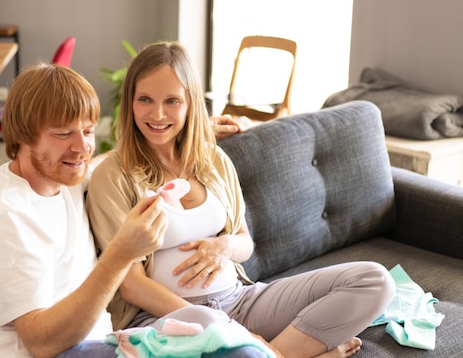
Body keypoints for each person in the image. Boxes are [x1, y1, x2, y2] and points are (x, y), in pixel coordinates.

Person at [85, 41, 396, 358]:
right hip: (167, 318)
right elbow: (129, 284)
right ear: (130, 101)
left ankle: (272, 353)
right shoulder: (113, 176)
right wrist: (223, 326)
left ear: (190, 103)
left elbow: (244, 242)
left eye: (172, 101)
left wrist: (225, 246)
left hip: (240, 299)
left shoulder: (213, 160)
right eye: (145, 100)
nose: (158, 114)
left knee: (375, 280)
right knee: (223, 336)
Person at [0, 63, 270, 358]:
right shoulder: (2, 217)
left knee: (218, 330)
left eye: (87, 131)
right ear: (21, 136)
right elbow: (41, 342)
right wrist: (120, 254)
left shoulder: (65, 176)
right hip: (48, 353)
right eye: (63, 133)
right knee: (240, 352)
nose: (82, 148)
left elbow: (114, 156)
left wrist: (190, 129)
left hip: (105, 342)